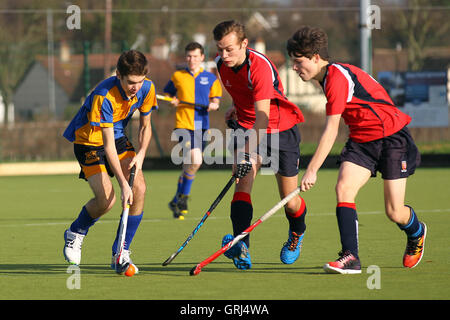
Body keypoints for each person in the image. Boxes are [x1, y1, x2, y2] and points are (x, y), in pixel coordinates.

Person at [287, 26, 426, 274]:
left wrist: (312, 170)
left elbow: (331, 130)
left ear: (316, 57)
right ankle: (351, 257)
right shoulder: (325, 77)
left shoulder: (336, 78)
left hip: (392, 137)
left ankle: (416, 232)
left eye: (298, 62)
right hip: (362, 141)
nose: (295, 68)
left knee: (395, 212)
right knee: (343, 188)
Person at [212, 20, 307, 270]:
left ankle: (297, 233)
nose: (224, 55)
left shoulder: (260, 67)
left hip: (279, 129)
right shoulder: (221, 65)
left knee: (290, 199)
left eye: (229, 49)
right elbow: (242, 93)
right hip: (246, 126)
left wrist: (245, 152)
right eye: (220, 49)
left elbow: (262, 118)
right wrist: (236, 108)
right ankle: (242, 246)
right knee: (242, 184)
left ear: (244, 44)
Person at [62, 50, 157, 274]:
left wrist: (141, 154)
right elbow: (107, 146)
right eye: (131, 82)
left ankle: (121, 251)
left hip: (116, 136)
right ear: (118, 75)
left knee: (140, 188)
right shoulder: (104, 95)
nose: (136, 87)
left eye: (140, 81)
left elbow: (145, 127)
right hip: (88, 140)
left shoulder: (147, 88)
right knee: (107, 199)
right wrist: (123, 184)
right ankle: (76, 232)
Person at [164, 42, 222, 220]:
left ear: (202, 57)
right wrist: (171, 100)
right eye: (189, 56)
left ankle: (175, 201)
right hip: (183, 125)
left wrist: (214, 104)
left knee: (190, 165)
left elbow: (216, 100)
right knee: (196, 159)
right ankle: (183, 198)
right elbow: (167, 94)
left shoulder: (211, 78)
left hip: (202, 127)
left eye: (196, 56)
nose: (192, 60)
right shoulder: (178, 76)